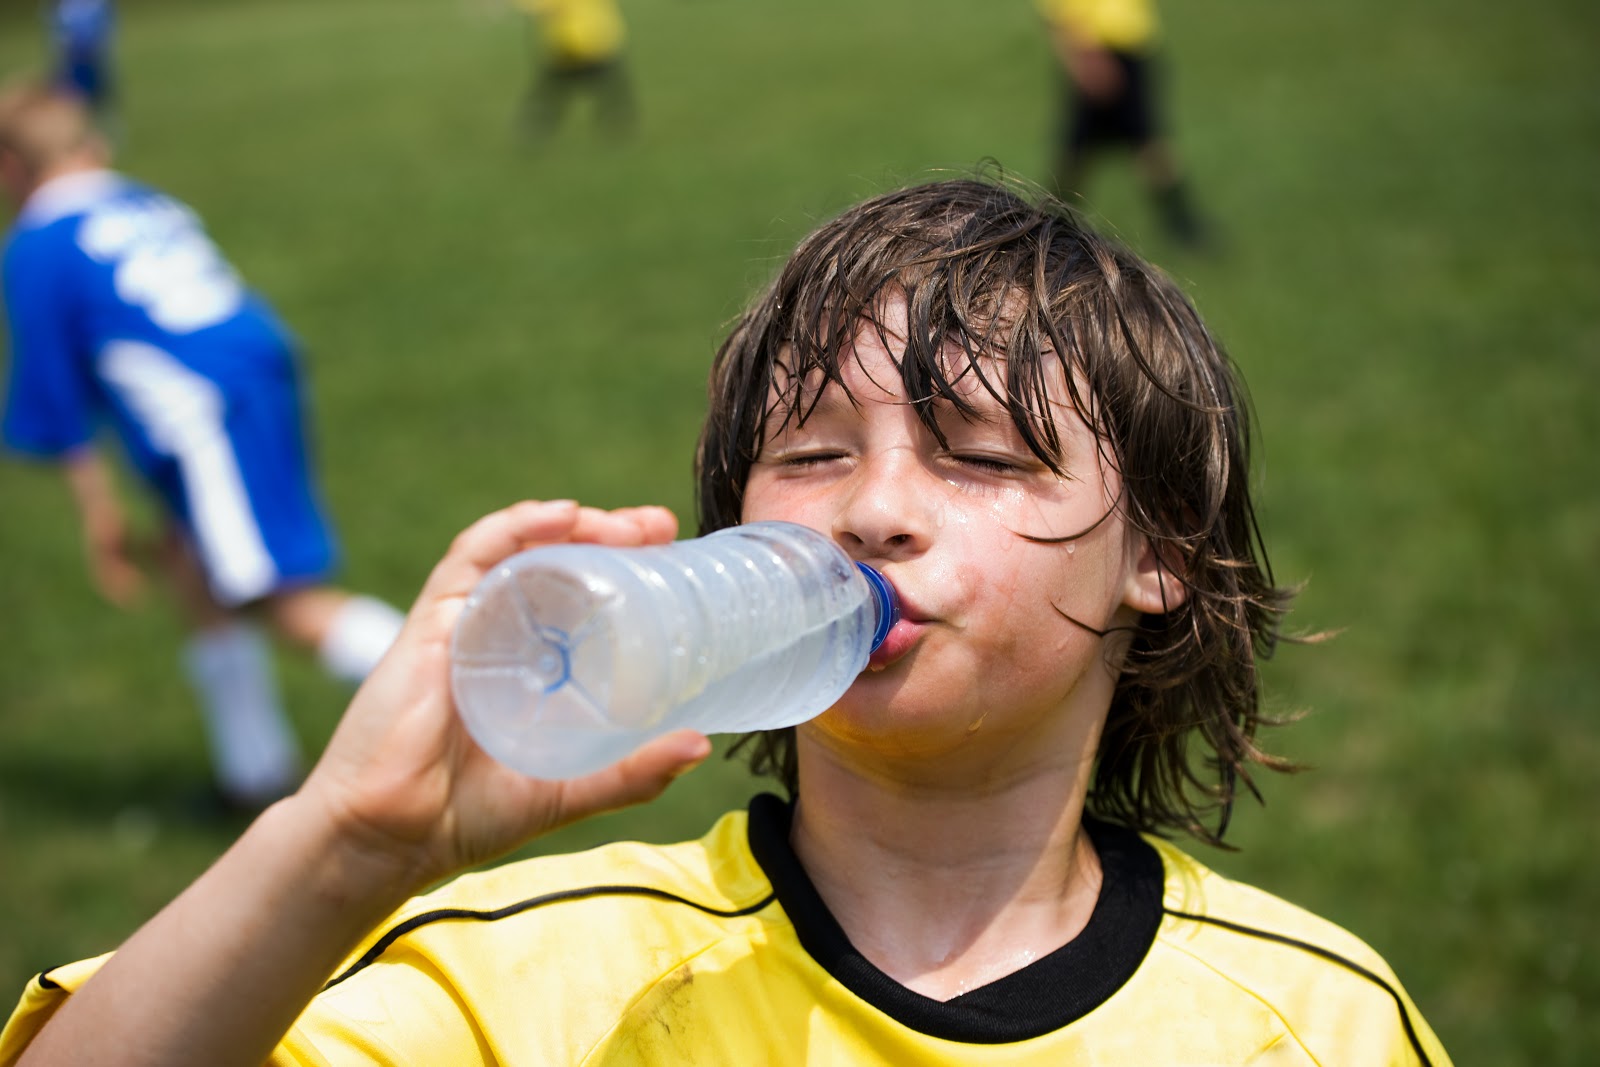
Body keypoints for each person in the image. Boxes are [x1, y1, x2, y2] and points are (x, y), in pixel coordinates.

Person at [0, 177, 1452, 1064]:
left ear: (1164, 555)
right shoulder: (539, 982)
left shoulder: (1313, 1023)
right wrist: (342, 845)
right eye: (811, 454)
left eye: (984, 454)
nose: (874, 508)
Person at [0, 83, 404, 810]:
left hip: (204, 410)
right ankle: (253, 773)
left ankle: (487, 697)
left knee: (277, 597)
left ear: (9, 167)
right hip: (252, 372)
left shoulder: (38, 244)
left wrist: (97, 514)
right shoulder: (140, 199)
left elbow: (57, 396)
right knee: (193, 564)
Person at [1039, 0, 1209, 248]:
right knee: (1090, 150)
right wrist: (1086, 62)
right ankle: (1046, 223)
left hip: (1129, 53)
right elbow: (1061, 16)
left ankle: (1047, 224)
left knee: (1103, 149)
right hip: (1101, 56)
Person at [515, 0, 636, 142]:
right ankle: (619, 126)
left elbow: (538, 8)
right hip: (597, 45)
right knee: (613, 92)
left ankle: (534, 129)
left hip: (574, 48)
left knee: (551, 95)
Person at [45, 0, 117, 128]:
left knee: (100, 94)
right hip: (72, 61)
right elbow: (56, 34)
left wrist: (102, 49)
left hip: (94, 58)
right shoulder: (61, 7)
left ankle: (106, 126)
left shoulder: (97, 4)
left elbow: (107, 27)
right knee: (73, 98)